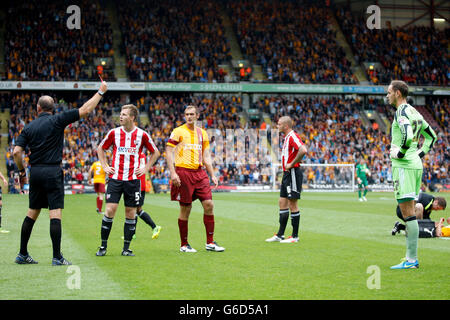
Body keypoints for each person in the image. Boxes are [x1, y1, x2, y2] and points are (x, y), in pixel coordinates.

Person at [13, 79, 108, 265]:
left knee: (32, 212)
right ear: (52, 109)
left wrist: (22, 171)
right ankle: (56, 257)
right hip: (52, 171)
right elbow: (86, 110)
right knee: (55, 213)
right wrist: (101, 92)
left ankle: (22, 253)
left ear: (38, 108)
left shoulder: (28, 127)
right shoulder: (58, 120)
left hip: (36, 172)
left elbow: (17, 152)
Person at [96, 104, 160, 257]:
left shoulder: (142, 135)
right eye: (121, 114)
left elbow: (155, 152)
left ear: (132, 117)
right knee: (110, 210)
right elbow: (100, 148)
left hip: (133, 180)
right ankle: (103, 246)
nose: (121, 116)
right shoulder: (114, 133)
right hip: (115, 178)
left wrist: (145, 168)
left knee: (130, 213)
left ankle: (126, 248)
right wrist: (105, 166)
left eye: (124, 114)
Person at [386, 80, 437, 269]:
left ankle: (411, 259)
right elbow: (432, 136)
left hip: (404, 165)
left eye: (390, 92)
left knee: (408, 213)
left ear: (398, 93)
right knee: (410, 211)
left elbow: (407, 134)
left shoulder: (401, 111)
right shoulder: (415, 111)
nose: (388, 95)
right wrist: (419, 154)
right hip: (415, 164)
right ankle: (410, 258)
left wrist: (399, 154)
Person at [166, 105, 224, 253]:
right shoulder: (178, 131)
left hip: (200, 173)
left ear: (197, 116)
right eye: (187, 114)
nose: (189, 116)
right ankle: (184, 244)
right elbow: (168, 151)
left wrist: (212, 174)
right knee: (186, 208)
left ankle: (210, 242)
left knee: (209, 204)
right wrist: (173, 173)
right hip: (183, 172)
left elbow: (205, 156)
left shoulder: (202, 133)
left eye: (192, 114)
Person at [266, 116, 307, 244]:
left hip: (293, 172)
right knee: (282, 202)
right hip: (287, 174)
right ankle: (280, 235)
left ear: (286, 126)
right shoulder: (287, 138)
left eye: (279, 124)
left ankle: (295, 236)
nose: (277, 126)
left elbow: (303, 150)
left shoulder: (292, 136)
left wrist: (291, 163)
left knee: (292, 204)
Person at [133, 151, 162, 240]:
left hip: (137, 185)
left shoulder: (136, 154)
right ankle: (132, 233)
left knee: (136, 209)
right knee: (135, 210)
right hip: (138, 185)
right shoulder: (141, 154)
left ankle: (154, 227)